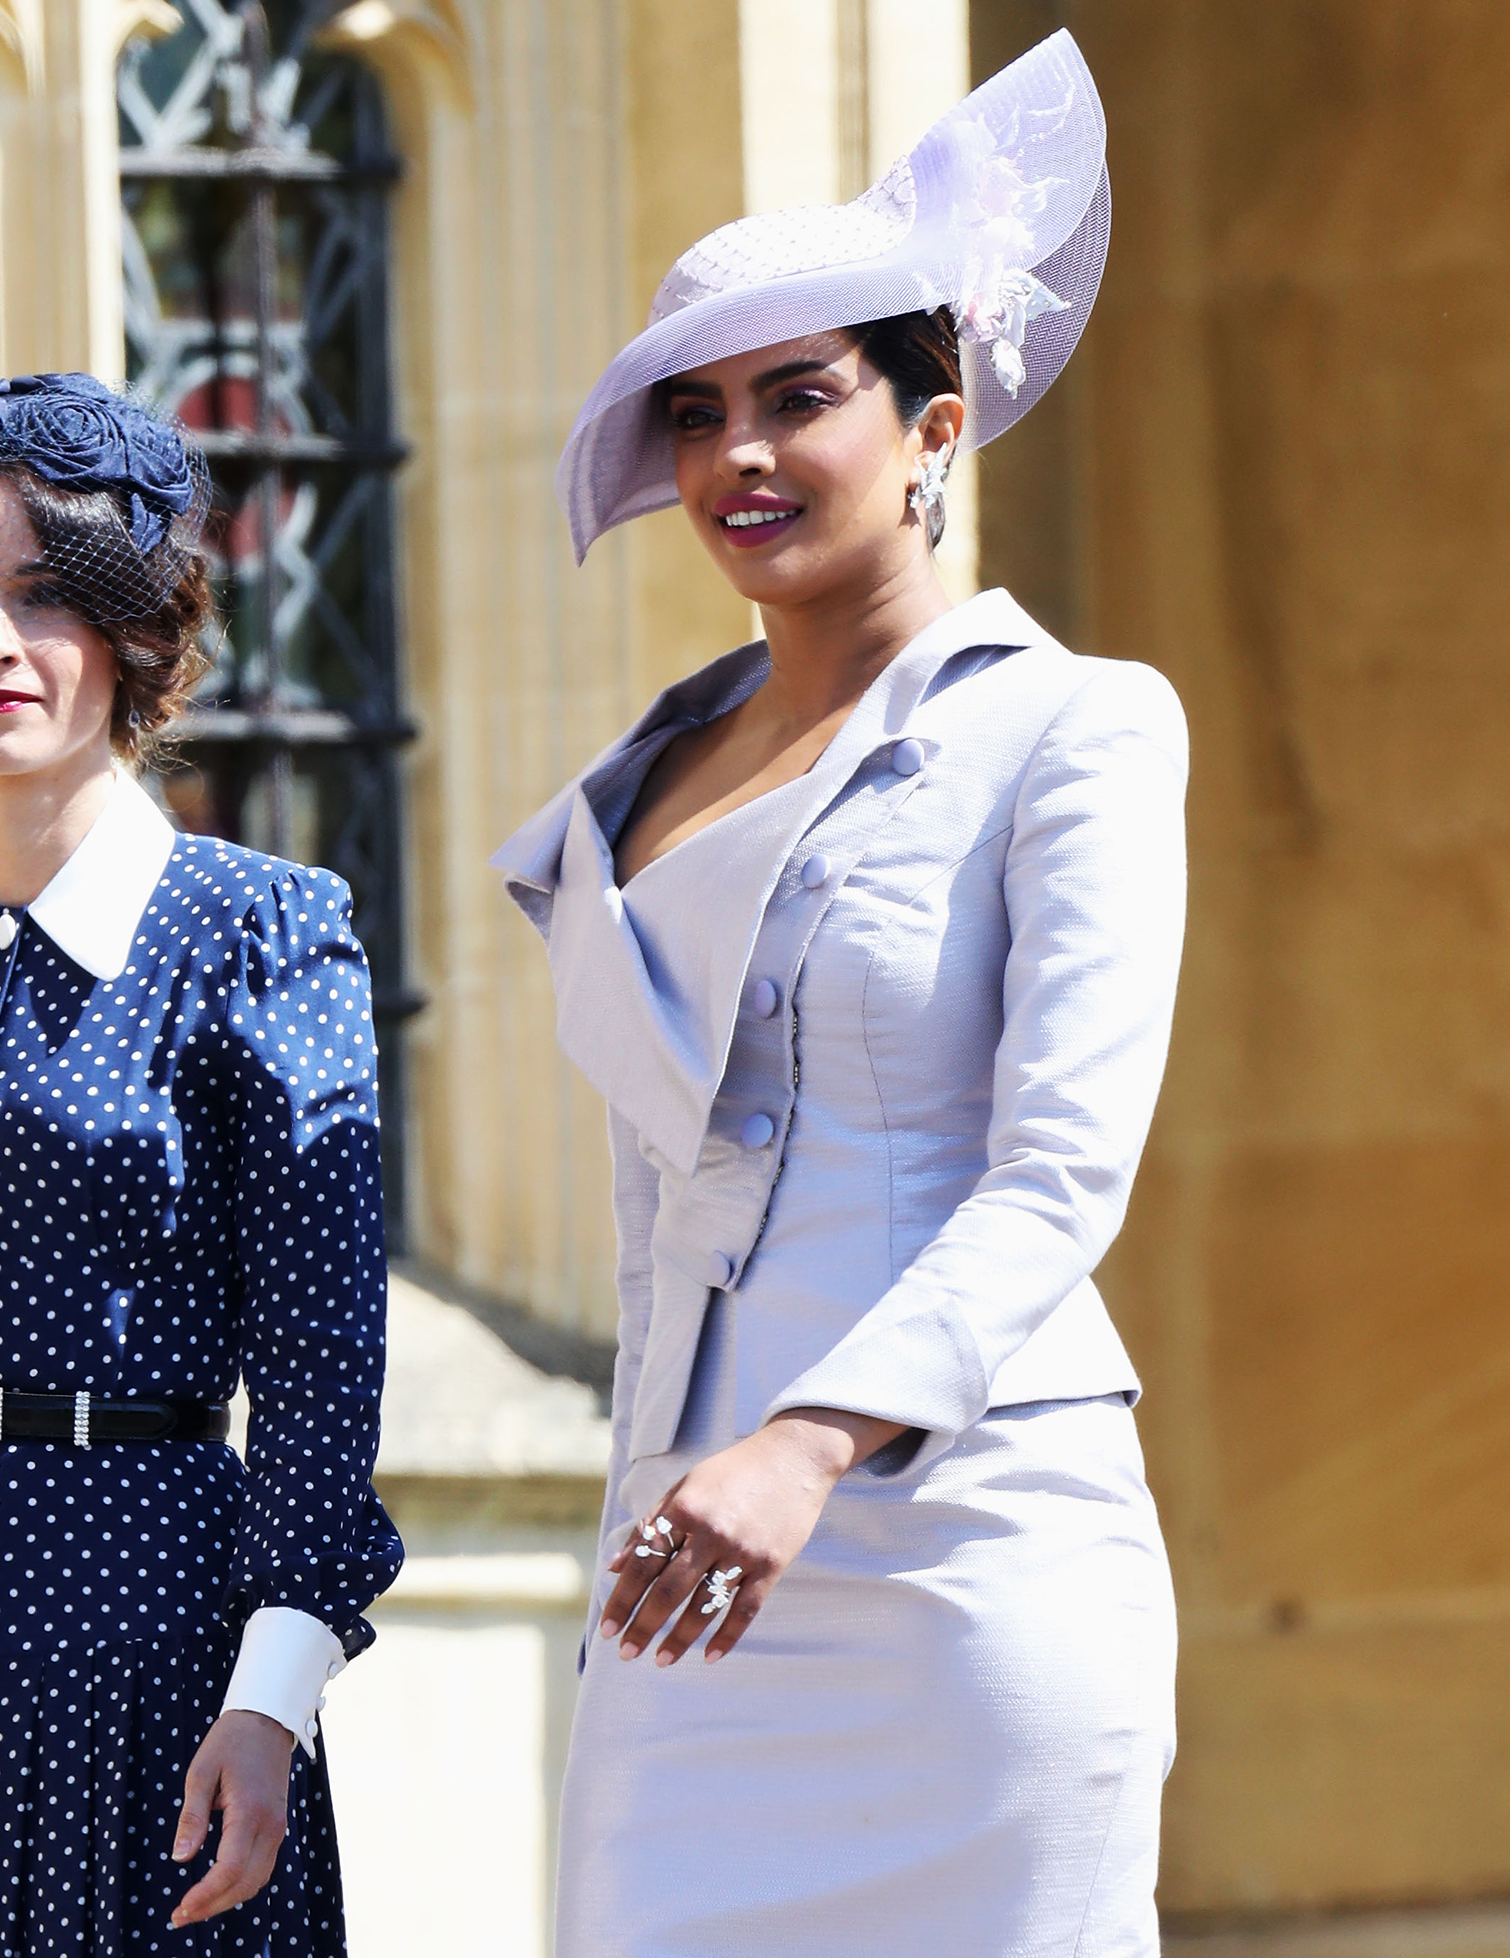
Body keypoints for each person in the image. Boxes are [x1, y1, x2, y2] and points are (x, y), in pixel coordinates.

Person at [493, 33, 1183, 1957]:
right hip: (686, 1598)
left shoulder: (1078, 728)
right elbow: (658, 1223)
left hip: (973, 1558)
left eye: (801, 398)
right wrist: (676, 1484)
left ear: (936, 425)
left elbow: (1060, 1174)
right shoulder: (632, 785)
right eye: (699, 414)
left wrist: (804, 1443)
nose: (741, 456)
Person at [0, 373, 401, 1957]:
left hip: (144, 1660)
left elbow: (318, 1360)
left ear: (133, 635)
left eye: (48, 599)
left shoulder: (260, 933)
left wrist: (275, 1697)